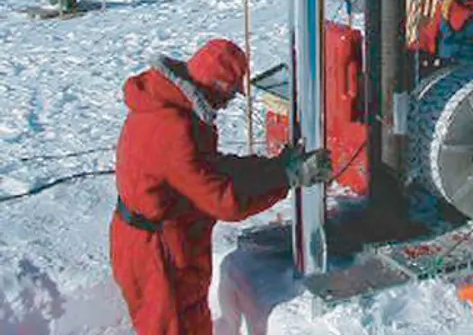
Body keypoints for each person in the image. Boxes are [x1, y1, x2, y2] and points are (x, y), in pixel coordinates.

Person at [110, 38, 331, 335]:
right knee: (174, 327)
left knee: (189, 321)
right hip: (158, 254)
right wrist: (287, 178)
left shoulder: (169, 105)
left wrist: (274, 168)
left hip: (160, 240)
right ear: (217, 87)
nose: (228, 103)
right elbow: (224, 201)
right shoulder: (174, 128)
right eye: (229, 94)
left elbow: (213, 168)